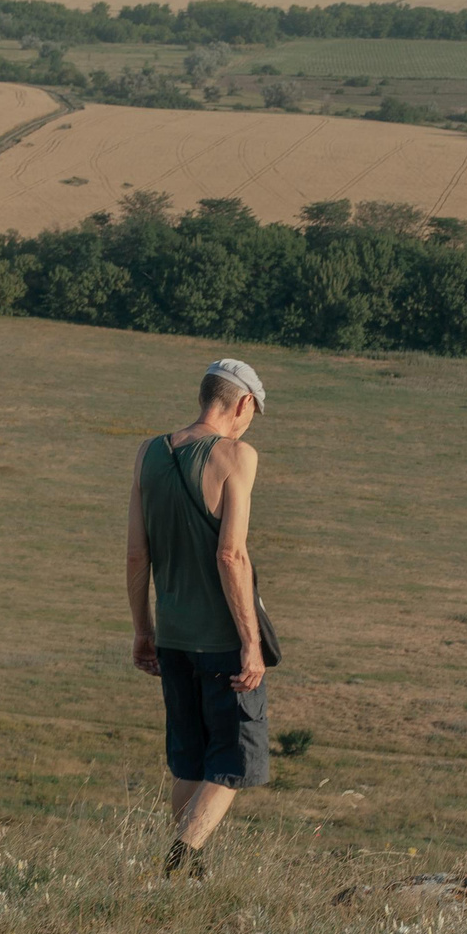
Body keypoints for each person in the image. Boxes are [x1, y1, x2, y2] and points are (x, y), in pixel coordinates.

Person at [127, 358, 269, 878]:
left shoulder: (150, 452)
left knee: (188, 758)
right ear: (242, 403)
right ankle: (181, 858)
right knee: (232, 761)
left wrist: (144, 630)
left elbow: (136, 555)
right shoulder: (236, 455)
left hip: (173, 637)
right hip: (221, 640)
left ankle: (185, 877)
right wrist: (251, 644)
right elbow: (231, 555)